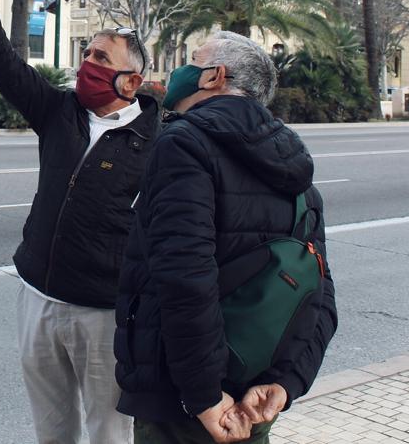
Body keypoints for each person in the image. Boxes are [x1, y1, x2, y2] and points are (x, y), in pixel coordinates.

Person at [0, 0, 161, 444]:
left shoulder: (160, 140)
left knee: (109, 432)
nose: (86, 65)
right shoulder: (58, 112)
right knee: (51, 431)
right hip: (38, 299)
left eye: (100, 59)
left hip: (104, 315)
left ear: (131, 81)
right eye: (86, 54)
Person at [115, 31, 338, 443]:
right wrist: (285, 383)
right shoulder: (293, 163)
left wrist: (204, 398)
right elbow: (318, 290)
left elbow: (185, 279)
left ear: (214, 76)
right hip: (254, 400)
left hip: (184, 404)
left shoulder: (183, 143)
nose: (179, 70)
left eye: (192, 60)